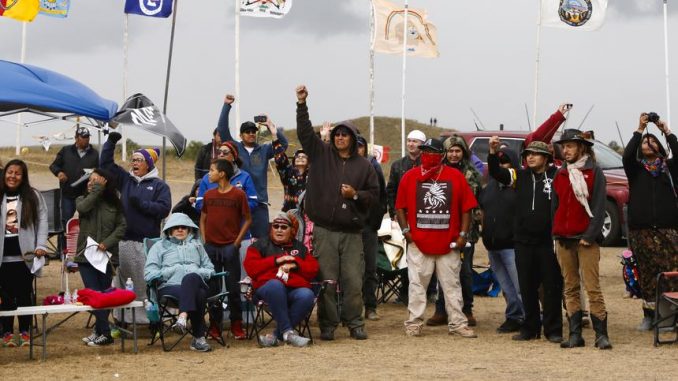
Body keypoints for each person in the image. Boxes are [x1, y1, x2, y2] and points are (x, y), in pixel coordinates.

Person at [295, 85, 379, 341]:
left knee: (354, 280)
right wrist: (302, 104)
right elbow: (305, 133)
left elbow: (374, 197)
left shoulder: (364, 166)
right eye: (338, 134)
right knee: (327, 281)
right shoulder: (321, 154)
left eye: (346, 135)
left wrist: (354, 194)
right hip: (324, 230)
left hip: (352, 232)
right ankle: (328, 324)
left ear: (353, 139)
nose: (341, 138)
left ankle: (355, 322)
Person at [396, 138, 478, 338]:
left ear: (442, 154)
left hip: (448, 243)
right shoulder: (410, 176)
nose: (428, 154)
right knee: (417, 285)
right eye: (425, 150)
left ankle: (458, 323)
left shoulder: (456, 176)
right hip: (419, 242)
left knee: (452, 286)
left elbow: (467, 208)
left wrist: (462, 235)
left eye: (433, 151)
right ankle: (414, 323)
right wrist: (406, 232)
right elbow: (400, 207)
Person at [488, 138, 563, 342]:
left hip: (548, 241)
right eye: (527, 154)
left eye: (535, 154)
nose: (530, 157)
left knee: (551, 286)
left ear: (546, 157)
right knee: (527, 286)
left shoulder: (557, 175)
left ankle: (553, 329)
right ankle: (530, 328)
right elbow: (497, 173)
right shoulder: (518, 176)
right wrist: (493, 153)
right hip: (522, 241)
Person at [100, 131, 172, 323]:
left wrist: (143, 205)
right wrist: (111, 141)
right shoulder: (126, 179)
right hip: (123, 240)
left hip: (146, 242)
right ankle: (122, 319)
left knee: (144, 282)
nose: (134, 163)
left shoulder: (159, 186)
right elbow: (106, 165)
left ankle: (151, 319)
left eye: (139, 160)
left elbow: (164, 209)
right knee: (122, 281)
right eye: (133, 160)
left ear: (149, 163)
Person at [552, 129, 611, 350]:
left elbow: (599, 206)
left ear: (581, 147)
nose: (565, 150)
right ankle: (575, 334)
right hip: (564, 239)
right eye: (563, 146)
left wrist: (590, 235)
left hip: (586, 239)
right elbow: (555, 208)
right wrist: (555, 233)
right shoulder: (561, 174)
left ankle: (601, 335)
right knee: (570, 287)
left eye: (569, 146)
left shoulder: (594, 172)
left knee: (592, 287)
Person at [623, 113, 678, 330]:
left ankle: (670, 315)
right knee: (646, 273)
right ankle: (649, 314)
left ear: (660, 146)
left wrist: (665, 130)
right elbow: (627, 155)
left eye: (652, 140)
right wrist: (640, 129)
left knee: (672, 272)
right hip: (641, 229)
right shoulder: (635, 169)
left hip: (668, 228)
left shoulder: (670, 168)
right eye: (646, 141)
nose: (648, 142)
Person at [427, 135, 482, 327]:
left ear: (464, 152)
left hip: (468, 231)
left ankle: (466, 309)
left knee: (465, 272)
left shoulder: (472, 173)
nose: (454, 154)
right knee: (442, 271)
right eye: (450, 151)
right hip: (443, 229)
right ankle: (441, 310)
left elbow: (478, 203)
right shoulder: (438, 172)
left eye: (457, 151)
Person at [243, 212, 319, 347]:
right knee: (275, 285)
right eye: (275, 226)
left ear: (292, 231)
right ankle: (289, 333)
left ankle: (277, 336)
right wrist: (276, 260)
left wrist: (295, 264)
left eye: (284, 227)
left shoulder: (299, 248)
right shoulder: (260, 245)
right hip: (267, 289)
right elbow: (251, 268)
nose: (279, 229)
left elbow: (313, 268)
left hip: (293, 289)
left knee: (307, 295)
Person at [217, 95, 289, 238]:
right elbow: (222, 130)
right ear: (241, 134)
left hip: (260, 203)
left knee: (261, 241)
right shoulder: (235, 148)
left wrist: (270, 125)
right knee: (237, 240)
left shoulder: (264, 150)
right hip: (237, 203)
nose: (251, 134)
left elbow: (283, 145)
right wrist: (226, 106)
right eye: (247, 132)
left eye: (253, 132)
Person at [144, 212, 216, 352]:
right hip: (170, 287)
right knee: (199, 294)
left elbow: (210, 269)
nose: (180, 229)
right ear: (169, 230)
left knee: (192, 278)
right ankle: (198, 338)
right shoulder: (159, 247)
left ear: (189, 230)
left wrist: (195, 271)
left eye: (184, 227)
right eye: (176, 227)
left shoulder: (197, 246)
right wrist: (172, 270)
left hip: (195, 282)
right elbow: (149, 273)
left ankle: (182, 317)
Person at [74, 168, 127, 347]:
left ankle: (99, 331)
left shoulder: (114, 204)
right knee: (94, 293)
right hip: (85, 257)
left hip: (107, 256)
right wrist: (96, 190)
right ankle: (105, 333)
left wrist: (107, 242)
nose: (90, 183)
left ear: (105, 183)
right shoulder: (82, 200)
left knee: (103, 295)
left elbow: (121, 226)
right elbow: (83, 208)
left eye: (95, 180)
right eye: (89, 180)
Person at [200, 159, 252, 340]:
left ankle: (237, 325)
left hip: (230, 247)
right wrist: (205, 240)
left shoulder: (238, 195)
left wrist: (236, 243)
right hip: (211, 248)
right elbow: (203, 218)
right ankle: (215, 327)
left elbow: (248, 219)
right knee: (213, 291)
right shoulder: (208, 195)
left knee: (233, 289)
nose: (209, 173)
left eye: (212, 170)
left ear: (222, 173)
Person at [0, 159, 48, 347]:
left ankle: (26, 331)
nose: (13, 176)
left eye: (17, 173)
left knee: (24, 295)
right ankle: (7, 332)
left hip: (25, 256)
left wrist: (41, 245)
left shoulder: (33, 196)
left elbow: (42, 222)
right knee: (6, 297)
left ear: (23, 176)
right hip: (3, 257)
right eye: (10, 172)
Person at [480, 144, 524, 334]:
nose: (501, 165)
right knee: (506, 287)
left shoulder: (519, 183)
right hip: (493, 246)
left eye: (505, 161)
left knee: (521, 286)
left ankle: (531, 318)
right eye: (498, 162)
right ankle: (514, 317)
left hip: (513, 245)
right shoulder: (489, 186)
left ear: (513, 163)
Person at [49, 126, 99, 251]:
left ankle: (85, 249)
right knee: (66, 222)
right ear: (76, 138)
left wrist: (94, 175)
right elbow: (54, 165)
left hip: (86, 195)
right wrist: (59, 173)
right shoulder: (66, 151)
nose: (86, 140)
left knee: (87, 222)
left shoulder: (95, 154)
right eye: (83, 138)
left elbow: (99, 171)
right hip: (68, 194)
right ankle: (63, 250)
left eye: (87, 137)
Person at [356, 136, 387, 321]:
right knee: (349, 270)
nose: (357, 149)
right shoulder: (344, 166)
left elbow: (381, 195)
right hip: (349, 225)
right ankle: (348, 308)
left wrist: (375, 221)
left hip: (368, 226)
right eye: (356, 146)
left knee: (369, 268)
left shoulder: (373, 165)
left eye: (360, 146)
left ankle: (370, 306)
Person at [194, 95, 234, 181]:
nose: (221, 137)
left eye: (223, 134)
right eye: (219, 135)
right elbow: (198, 168)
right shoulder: (205, 150)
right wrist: (198, 183)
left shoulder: (231, 150)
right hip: (207, 182)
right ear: (214, 136)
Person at [273, 145, 309, 212]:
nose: (300, 158)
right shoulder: (288, 173)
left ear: (308, 161)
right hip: (290, 212)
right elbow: (281, 161)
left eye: (304, 157)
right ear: (294, 160)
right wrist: (275, 138)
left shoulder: (313, 175)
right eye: (298, 156)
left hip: (308, 213)